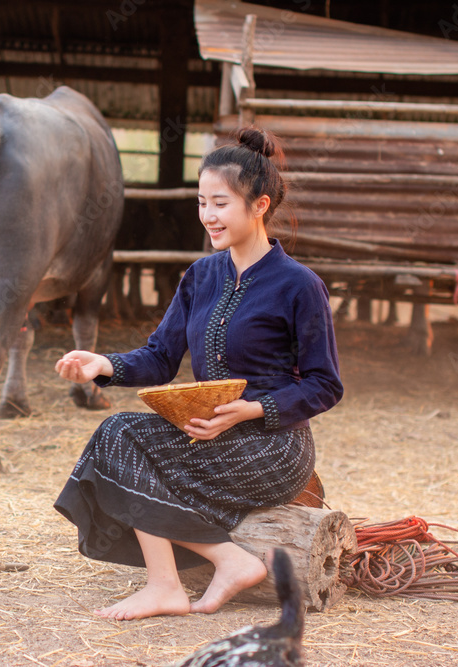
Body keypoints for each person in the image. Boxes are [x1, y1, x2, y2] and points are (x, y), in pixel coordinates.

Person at [53, 127, 343, 621]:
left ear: (259, 205)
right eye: (201, 203)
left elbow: (324, 384)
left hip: (272, 444)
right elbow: (160, 358)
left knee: (129, 446)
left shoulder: (300, 285)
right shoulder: (201, 276)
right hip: (205, 435)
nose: (208, 216)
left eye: (221, 203)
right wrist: (103, 365)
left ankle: (198, 572)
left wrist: (250, 409)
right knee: (117, 434)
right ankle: (192, 574)